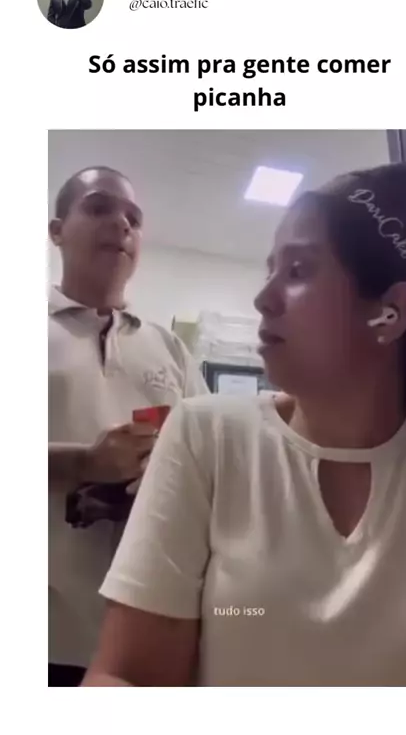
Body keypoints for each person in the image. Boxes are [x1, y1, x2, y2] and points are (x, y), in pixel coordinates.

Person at [82, 163, 406, 688]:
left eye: (298, 270)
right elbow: (129, 677)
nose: (263, 297)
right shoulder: (207, 436)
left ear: (390, 312)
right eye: (271, 269)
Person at [48, 166, 209, 686]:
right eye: (99, 207)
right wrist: (83, 463)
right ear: (56, 231)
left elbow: (208, 461)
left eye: (133, 219)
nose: (121, 224)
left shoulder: (170, 349)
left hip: (142, 634)